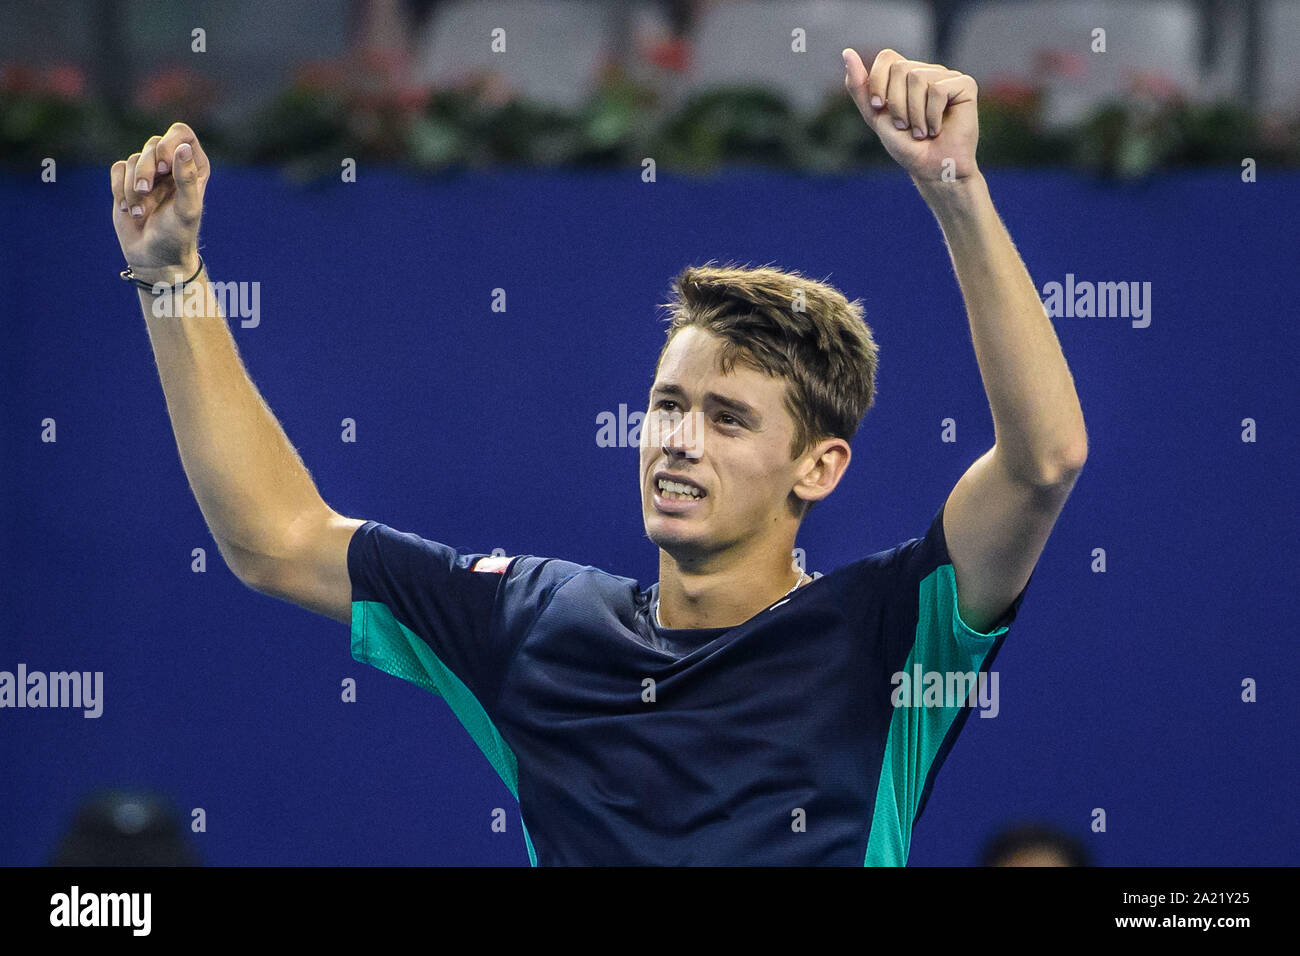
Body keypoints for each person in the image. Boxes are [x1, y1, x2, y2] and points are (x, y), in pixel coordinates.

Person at [108, 48, 1086, 865]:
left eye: (727, 418)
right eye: (667, 405)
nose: (676, 439)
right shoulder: (533, 622)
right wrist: (171, 281)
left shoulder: (889, 635)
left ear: (818, 467)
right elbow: (275, 538)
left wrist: (955, 190)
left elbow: (1043, 459)